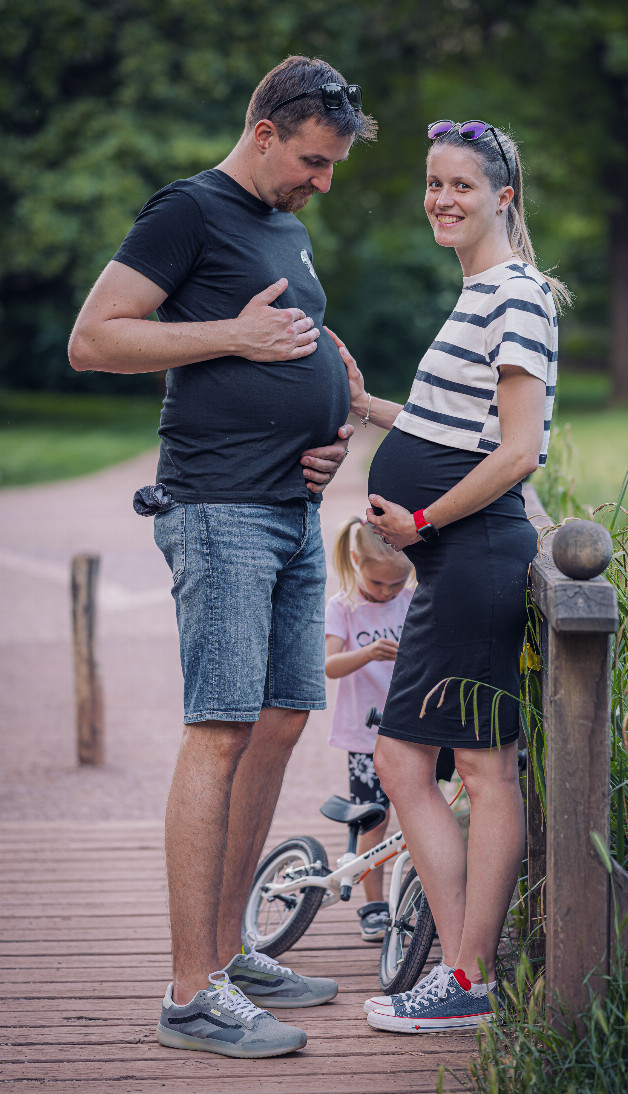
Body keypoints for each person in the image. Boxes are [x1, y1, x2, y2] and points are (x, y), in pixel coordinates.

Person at [68, 56, 377, 1059]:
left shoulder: (285, 224)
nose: (322, 182)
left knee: (282, 719)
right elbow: (94, 338)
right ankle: (190, 990)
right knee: (221, 728)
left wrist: (328, 433)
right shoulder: (188, 210)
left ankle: (232, 951)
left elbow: (300, 348)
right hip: (218, 509)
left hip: (290, 505)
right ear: (265, 132)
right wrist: (234, 337)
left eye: (332, 167)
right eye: (313, 161)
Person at [327, 117, 569, 1033]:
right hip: (458, 563)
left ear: (503, 197)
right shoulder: (481, 293)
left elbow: (518, 452)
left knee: (466, 766)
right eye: (433, 183)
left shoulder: (516, 294)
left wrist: (422, 521)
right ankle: (466, 968)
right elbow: (457, 428)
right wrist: (369, 406)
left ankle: (466, 978)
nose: (442, 199)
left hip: (472, 557)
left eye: (461, 185)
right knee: (435, 761)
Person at [324, 517, 414, 941]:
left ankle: (418, 898)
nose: (387, 593)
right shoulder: (343, 606)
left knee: (418, 815)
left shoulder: (411, 599)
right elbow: (330, 665)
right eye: (379, 583)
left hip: (410, 726)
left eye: (396, 584)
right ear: (356, 561)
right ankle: (374, 905)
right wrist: (368, 653)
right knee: (373, 820)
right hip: (365, 735)